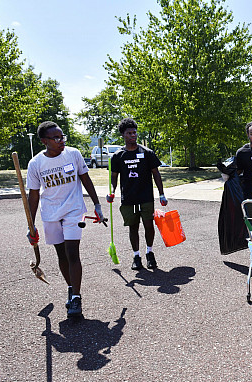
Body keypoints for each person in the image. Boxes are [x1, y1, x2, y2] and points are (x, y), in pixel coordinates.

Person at [27, 121, 104, 318]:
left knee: (72, 253)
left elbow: (86, 179)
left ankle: (76, 298)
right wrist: (31, 224)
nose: (61, 141)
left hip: (73, 210)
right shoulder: (36, 164)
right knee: (61, 255)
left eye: (63, 137)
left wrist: (97, 206)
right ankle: (71, 287)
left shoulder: (73, 154)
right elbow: (34, 195)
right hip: (50, 213)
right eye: (56, 138)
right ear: (45, 141)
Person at [107, 118, 167, 271]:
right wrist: (112, 191)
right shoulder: (118, 156)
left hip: (146, 197)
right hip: (128, 198)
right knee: (133, 227)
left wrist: (161, 194)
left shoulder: (147, 153)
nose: (133, 135)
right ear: (123, 135)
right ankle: (136, 255)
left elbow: (156, 173)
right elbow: (114, 177)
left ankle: (149, 253)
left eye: (134, 132)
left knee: (148, 225)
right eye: (129, 133)